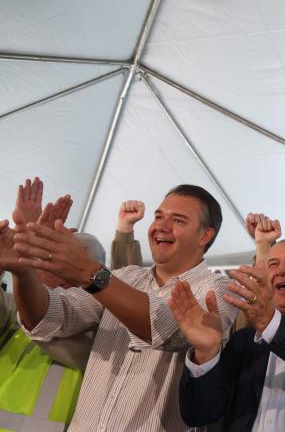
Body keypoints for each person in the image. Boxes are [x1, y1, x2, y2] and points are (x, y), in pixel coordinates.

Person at [12, 184, 237, 431]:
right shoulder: (126, 277)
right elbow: (51, 315)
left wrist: (89, 272)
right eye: (158, 216)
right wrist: (23, 270)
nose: (161, 226)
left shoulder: (219, 291)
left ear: (205, 235)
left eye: (178, 220)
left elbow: (164, 328)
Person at [175, 229, 285, 432]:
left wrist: (269, 322)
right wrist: (205, 353)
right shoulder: (244, 341)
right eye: (273, 264)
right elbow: (198, 414)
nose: (281, 271)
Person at [0, 182, 101, 430]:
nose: (45, 261)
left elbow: (42, 315)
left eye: (51, 254)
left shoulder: (96, 324)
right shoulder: (17, 304)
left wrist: (25, 266)